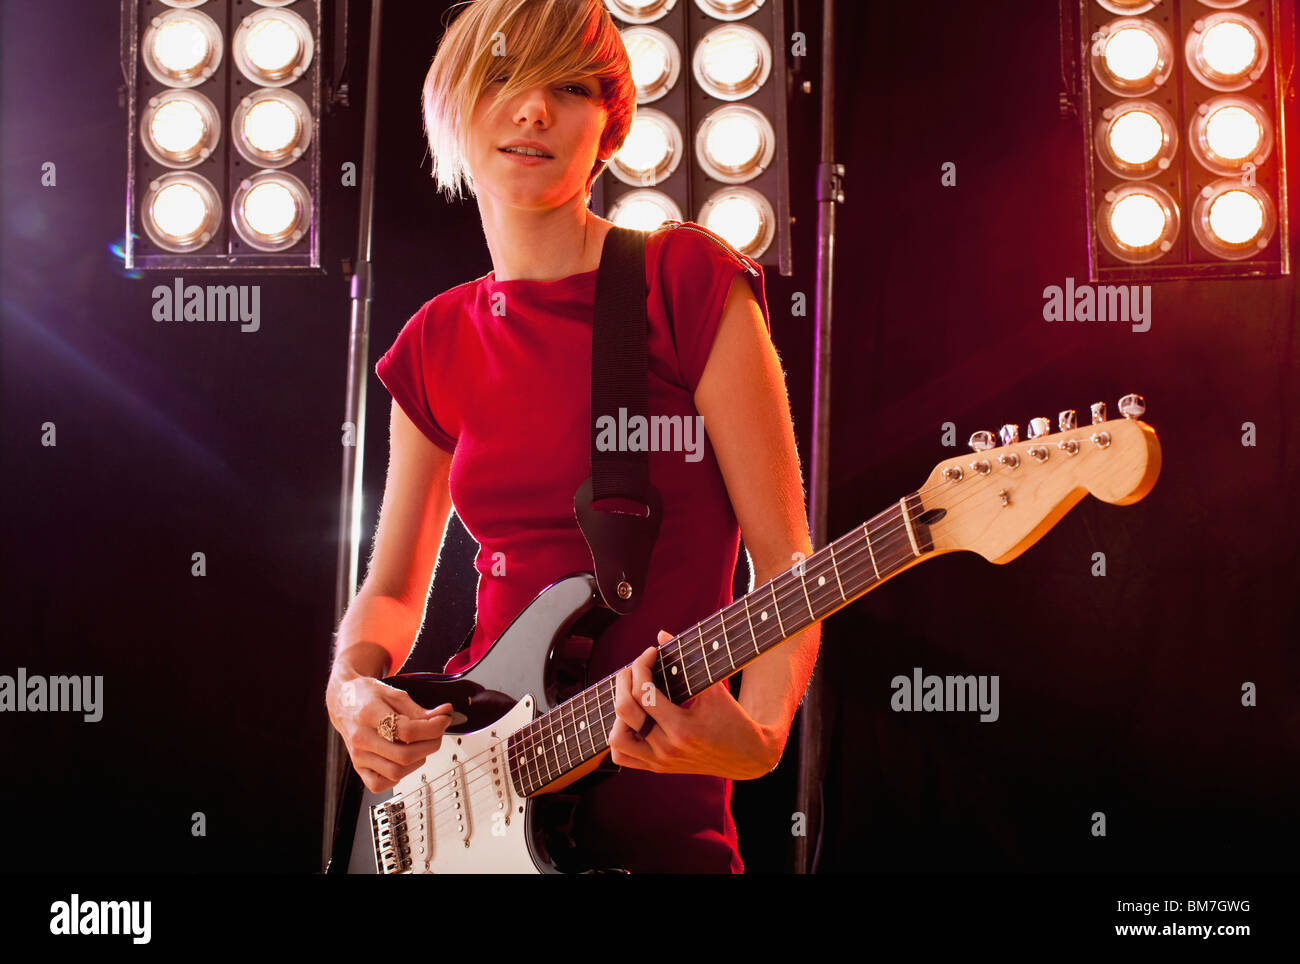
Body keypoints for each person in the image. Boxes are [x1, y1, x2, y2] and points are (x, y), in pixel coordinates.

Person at [324, 0, 819, 873]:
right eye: (506, 79)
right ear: (454, 106)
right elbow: (395, 589)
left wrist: (763, 735)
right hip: (464, 797)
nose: (534, 109)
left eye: (568, 87)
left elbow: (785, 564)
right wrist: (351, 691)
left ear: (612, 126)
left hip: (662, 834)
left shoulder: (684, 283)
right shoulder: (434, 341)